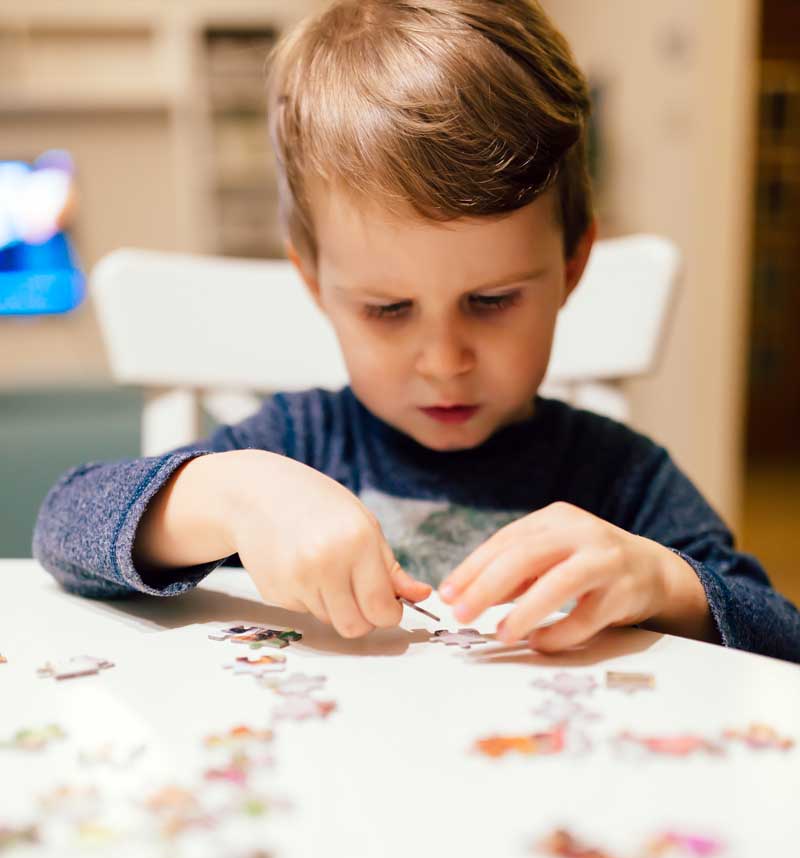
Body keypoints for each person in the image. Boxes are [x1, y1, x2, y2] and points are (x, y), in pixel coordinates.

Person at [33, 0, 800, 662]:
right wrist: (230, 494)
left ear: (572, 265)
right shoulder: (300, 443)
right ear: (316, 286)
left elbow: (781, 643)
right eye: (388, 310)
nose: (443, 361)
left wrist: (664, 581)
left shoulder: (617, 476)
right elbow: (63, 526)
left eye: (493, 299)